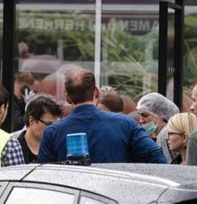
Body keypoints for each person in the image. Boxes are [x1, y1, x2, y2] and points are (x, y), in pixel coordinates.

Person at [38, 70, 167, 164]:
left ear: (67, 97)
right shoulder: (125, 124)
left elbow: (44, 179)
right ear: (97, 92)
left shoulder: (52, 133)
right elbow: (158, 159)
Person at [16, 94, 62, 164]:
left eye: (56, 125)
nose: (53, 130)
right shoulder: (15, 147)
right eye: (49, 124)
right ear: (31, 120)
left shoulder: (57, 147)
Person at [136, 92, 180, 162]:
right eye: (139, 115)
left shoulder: (165, 134)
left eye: (145, 115)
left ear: (160, 114)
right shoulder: (162, 133)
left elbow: (166, 165)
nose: (141, 121)